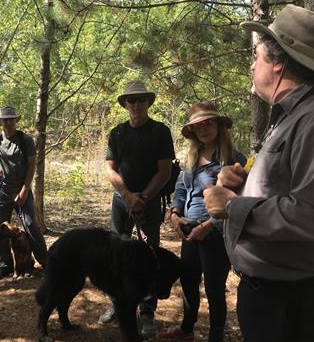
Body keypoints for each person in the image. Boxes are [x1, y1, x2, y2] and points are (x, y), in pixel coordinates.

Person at [203, 5, 314, 342]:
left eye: (257, 56)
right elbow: (292, 189)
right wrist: (244, 183)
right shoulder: (293, 116)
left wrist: (234, 207)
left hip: (302, 306)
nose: (252, 65)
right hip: (279, 298)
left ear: (278, 63)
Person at [158, 102, 246, 342]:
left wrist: (208, 227)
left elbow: (236, 202)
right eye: (197, 126)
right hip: (188, 229)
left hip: (215, 234)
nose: (203, 129)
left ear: (219, 124)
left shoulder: (234, 159)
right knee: (188, 280)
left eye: (208, 122)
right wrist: (175, 213)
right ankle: (186, 330)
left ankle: (215, 336)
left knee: (214, 288)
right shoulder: (191, 158)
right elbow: (180, 189)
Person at [99, 80, 175, 337]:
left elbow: (164, 172)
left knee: (149, 255)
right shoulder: (117, 133)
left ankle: (147, 312)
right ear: (125, 104)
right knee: (115, 253)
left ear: (148, 102)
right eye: (131, 100)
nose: (136, 104)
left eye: (141, 99)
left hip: (150, 202)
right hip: (122, 201)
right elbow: (110, 169)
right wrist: (128, 196)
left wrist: (142, 197)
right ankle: (117, 304)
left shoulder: (160, 132)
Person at [0, 105, 47, 281]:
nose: (8, 123)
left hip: (22, 190)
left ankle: (47, 263)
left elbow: (31, 166)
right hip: (1, 192)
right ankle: (5, 266)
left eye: (11, 119)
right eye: (5, 120)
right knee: (1, 230)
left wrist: (24, 190)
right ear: (0, 121)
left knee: (30, 225)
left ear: (16, 121)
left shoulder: (25, 140)